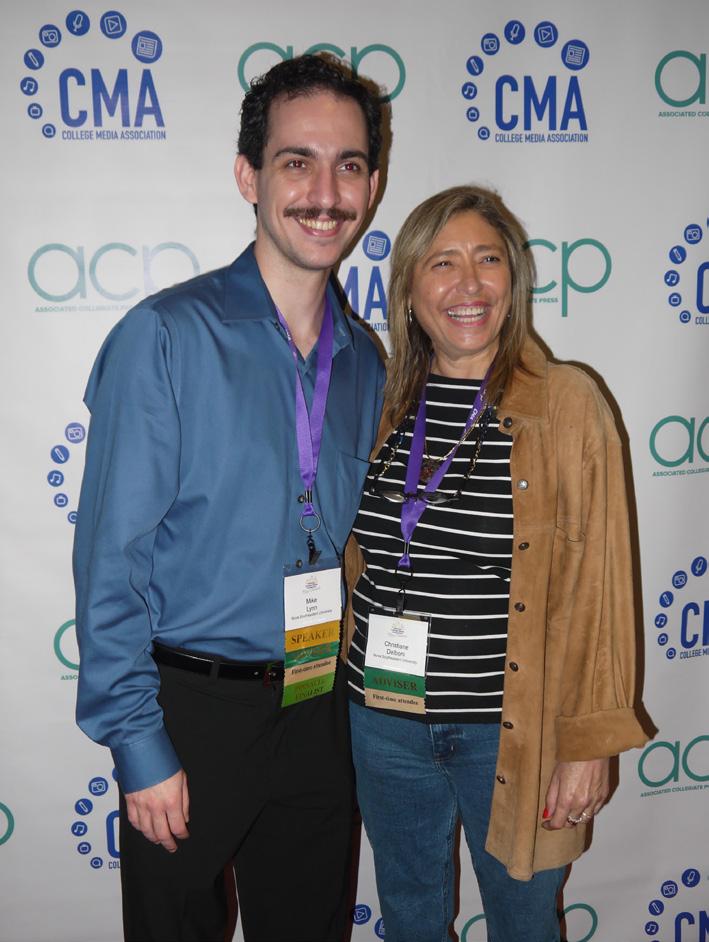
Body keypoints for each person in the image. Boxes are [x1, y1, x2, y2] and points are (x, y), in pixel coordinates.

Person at [73, 53, 385, 942]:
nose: (324, 193)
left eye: (349, 165)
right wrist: (138, 744)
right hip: (191, 714)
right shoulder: (166, 337)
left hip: (319, 704)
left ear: (371, 185)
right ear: (249, 176)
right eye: (296, 162)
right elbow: (111, 562)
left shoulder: (364, 362)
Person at [343, 185, 649, 941]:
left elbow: (601, 585)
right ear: (409, 289)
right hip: (382, 719)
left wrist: (587, 744)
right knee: (409, 917)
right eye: (442, 263)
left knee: (523, 923)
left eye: (487, 260)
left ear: (514, 280)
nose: (469, 284)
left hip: (508, 732)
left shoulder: (566, 403)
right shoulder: (380, 398)